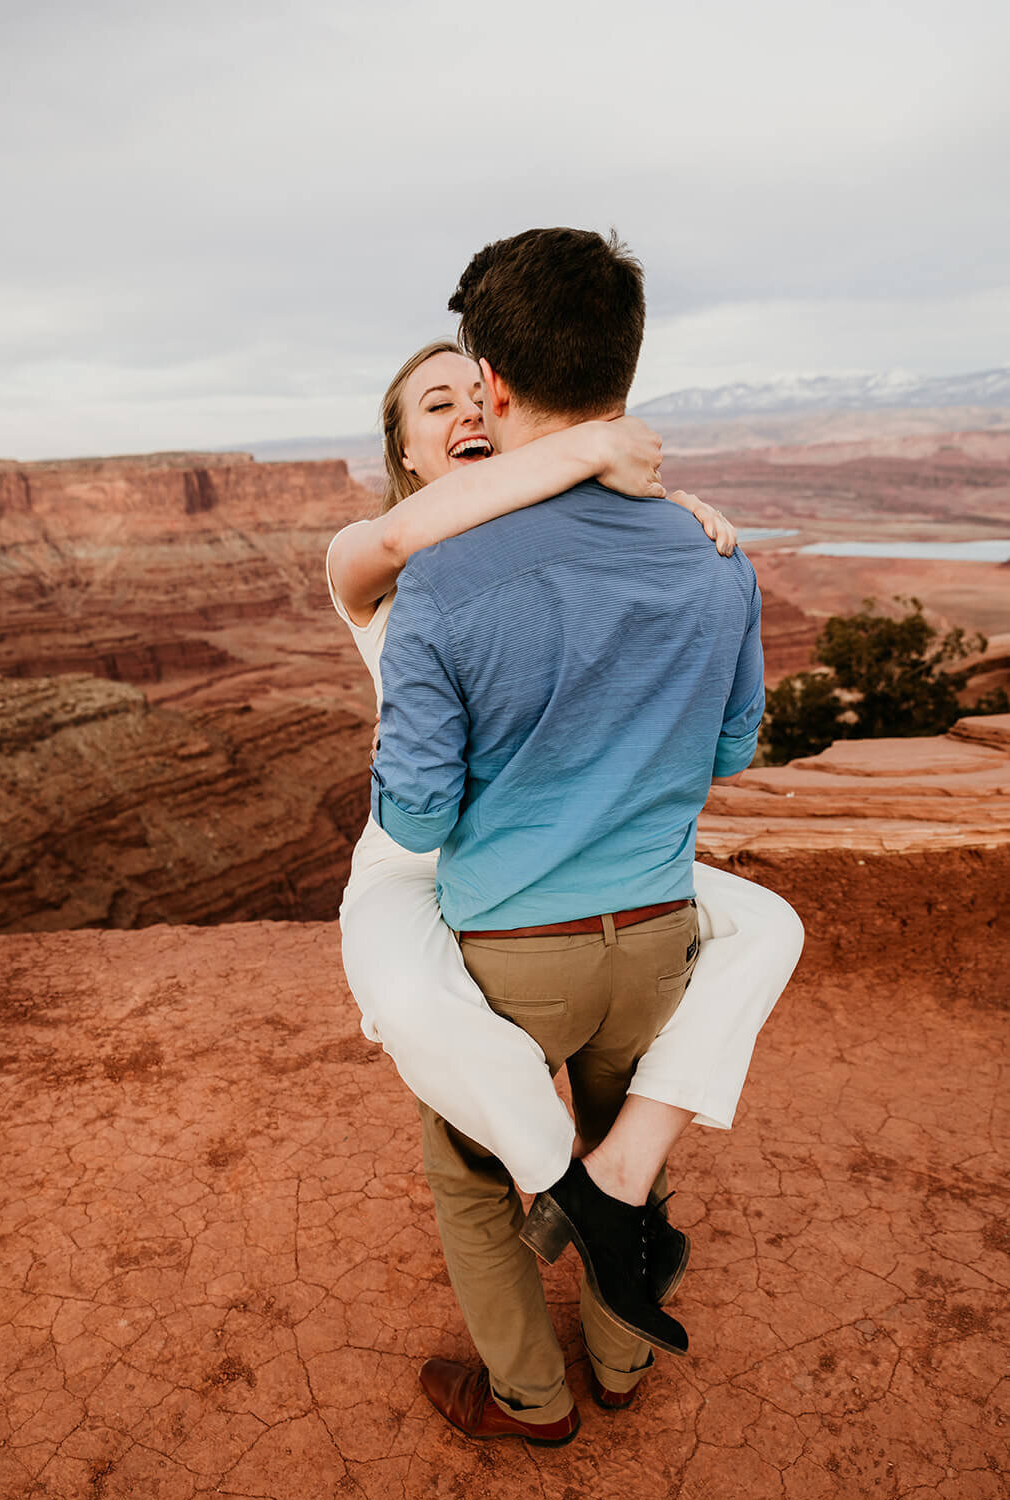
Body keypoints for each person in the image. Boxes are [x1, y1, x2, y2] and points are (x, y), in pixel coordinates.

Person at [328, 292, 802, 1437]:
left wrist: (649, 506)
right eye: (431, 403)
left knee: (768, 927)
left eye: (471, 390)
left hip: (524, 866)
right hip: (415, 859)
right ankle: (584, 1200)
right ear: (401, 447)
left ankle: (581, 1232)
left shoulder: (538, 543)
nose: (463, 410)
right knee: (402, 996)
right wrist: (595, 445)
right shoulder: (371, 560)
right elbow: (396, 539)